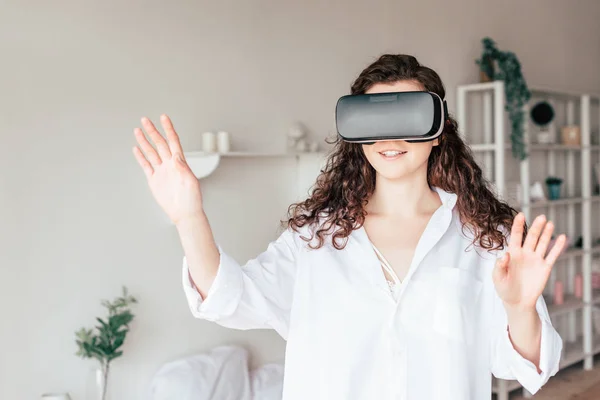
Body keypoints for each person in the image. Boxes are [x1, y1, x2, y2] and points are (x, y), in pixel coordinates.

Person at [132, 54, 564, 400]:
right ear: (357, 132)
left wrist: (520, 309)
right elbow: (231, 298)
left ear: (437, 132)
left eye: (409, 119)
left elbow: (523, 366)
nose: (390, 138)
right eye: (376, 121)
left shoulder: (484, 240)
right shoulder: (313, 239)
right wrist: (189, 216)